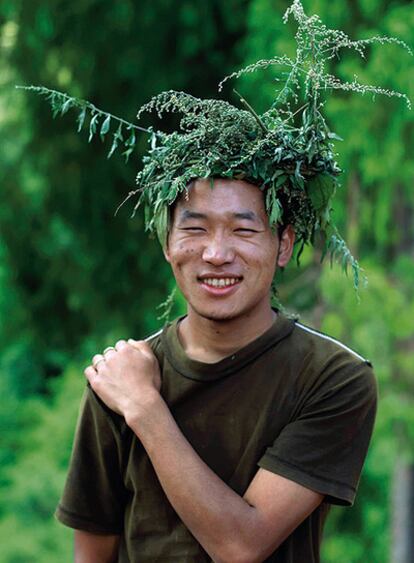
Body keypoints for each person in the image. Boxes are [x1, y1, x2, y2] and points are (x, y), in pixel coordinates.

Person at [55, 177, 377, 562]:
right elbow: (92, 552)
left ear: (284, 245)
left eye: (243, 230)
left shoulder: (332, 377)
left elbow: (241, 547)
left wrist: (145, 408)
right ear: (167, 243)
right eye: (194, 229)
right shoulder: (119, 378)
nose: (216, 253)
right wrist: (132, 395)